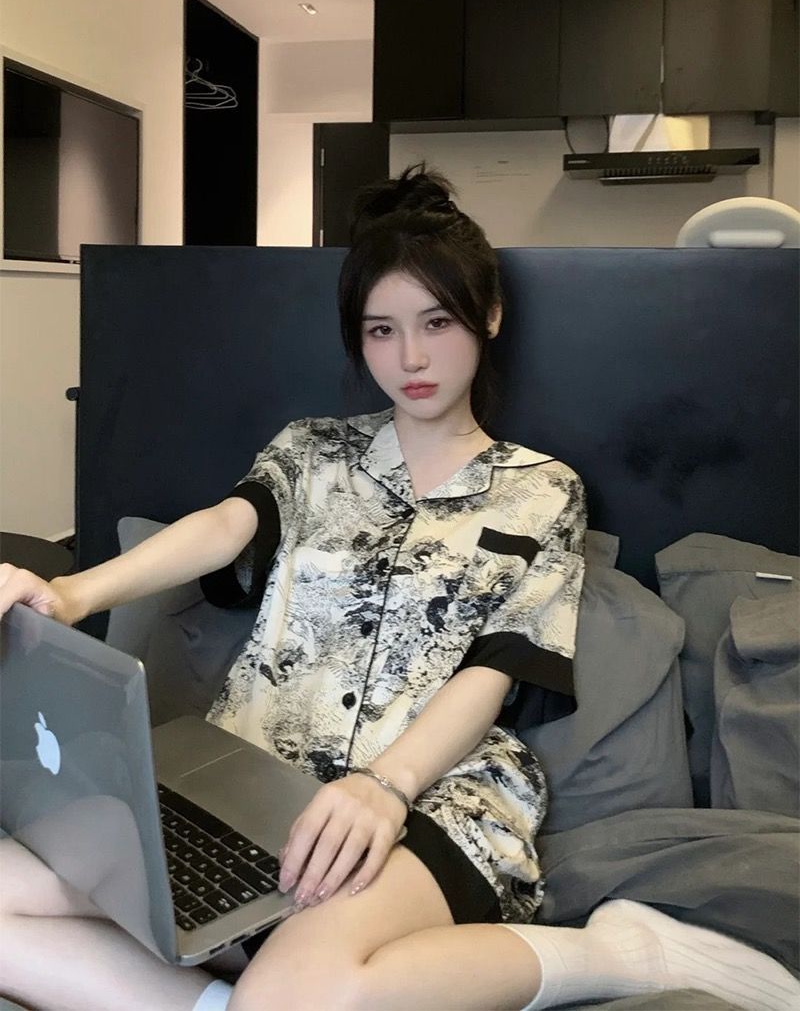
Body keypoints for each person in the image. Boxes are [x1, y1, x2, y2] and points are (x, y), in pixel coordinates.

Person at [1, 165, 797, 1011]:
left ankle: (623, 954)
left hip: (436, 791)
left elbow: (496, 668)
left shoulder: (542, 490)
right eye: (381, 330)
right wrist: (72, 594)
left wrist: (386, 786)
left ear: (489, 316)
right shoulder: (312, 451)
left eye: (437, 321)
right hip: (250, 773)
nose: (410, 358)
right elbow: (223, 527)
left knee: (291, 993)